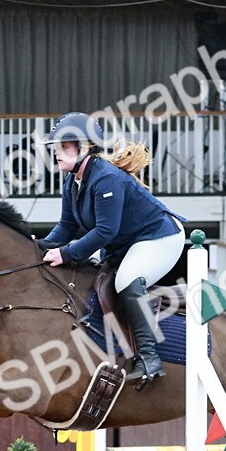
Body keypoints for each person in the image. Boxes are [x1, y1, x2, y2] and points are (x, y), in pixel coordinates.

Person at [39, 112, 186, 386]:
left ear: (83, 148)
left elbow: (105, 231)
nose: (56, 153)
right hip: (126, 243)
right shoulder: (72, 182)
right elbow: (66, 227)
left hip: (159, 237)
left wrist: (66, 254)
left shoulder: (106, 178)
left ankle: (149, 358)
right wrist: (40, 249)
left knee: (125, 281)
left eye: (63, 146)